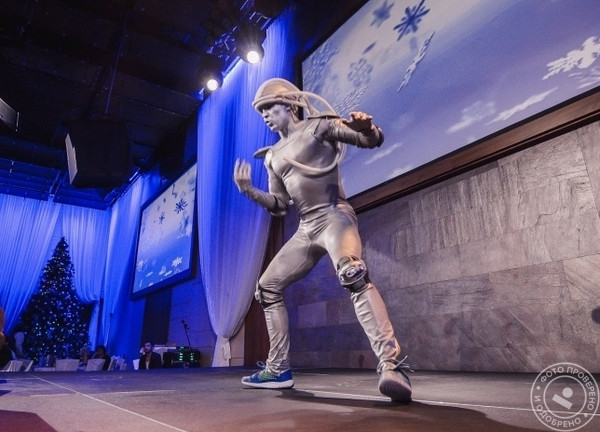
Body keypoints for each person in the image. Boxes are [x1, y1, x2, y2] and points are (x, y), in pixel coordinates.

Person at [233, 78, 412, 402]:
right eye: (262, 112)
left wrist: (367, 128)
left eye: (269, 108)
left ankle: (391, 366)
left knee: (352, 273)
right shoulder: (272, 156)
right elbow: (280, 205)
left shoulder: (319, 126)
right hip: (306, 228)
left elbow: (369, 140)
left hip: (334, 216)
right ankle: (278, 369)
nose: (266, 116)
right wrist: (249, 191)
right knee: (267, 288)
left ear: (289, 104)